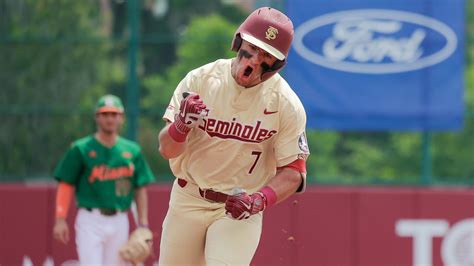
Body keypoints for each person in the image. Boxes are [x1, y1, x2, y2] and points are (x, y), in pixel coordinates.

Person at [157, 6, 310, 265]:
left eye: (266, 56)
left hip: (239, 207)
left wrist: (259, 200)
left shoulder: (285, 103)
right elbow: (166, 150)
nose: (254, 60)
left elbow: (294, 172)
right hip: (189, 197)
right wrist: (180, 125)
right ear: (239, 41)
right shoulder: (201, 80)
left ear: (277, 65)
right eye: (252, 48)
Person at [52, 94, 156, 265]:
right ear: (97, 117)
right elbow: (66, 183)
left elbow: (140, 188)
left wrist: (143, 224)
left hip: (120, 219)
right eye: (105, 114)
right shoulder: (81, 148)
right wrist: (60, 219)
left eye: (114, 114)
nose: (110, 119)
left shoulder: (132, 150)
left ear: (121, 118)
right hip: (90, 219)